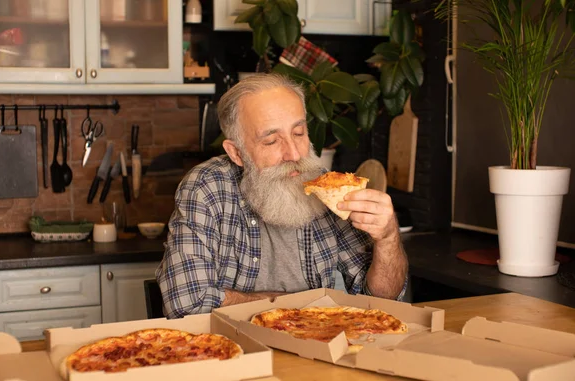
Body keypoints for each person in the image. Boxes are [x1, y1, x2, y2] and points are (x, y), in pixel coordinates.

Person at [156, 73, 408, 318]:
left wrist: (387, 238)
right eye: (272, 141)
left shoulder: (325, 186)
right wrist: (297, 307)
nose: (294, 154)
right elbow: (186, 303)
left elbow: (380, 302)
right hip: (233, 351)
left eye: (298, 134)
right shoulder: (206, 188)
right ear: (236, 153)